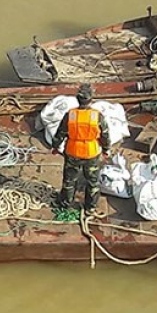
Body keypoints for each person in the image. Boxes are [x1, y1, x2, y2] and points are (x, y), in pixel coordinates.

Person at [50, 84, 111, 217]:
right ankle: (91, 207)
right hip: (91, 153)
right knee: (93, 181)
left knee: (69, 180)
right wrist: (106, 149)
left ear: (78, 99)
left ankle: (65, 203)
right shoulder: (97, 116)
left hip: (73, 151)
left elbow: (61, 133)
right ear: (91, 100)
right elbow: (104, 134)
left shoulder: (70, 115)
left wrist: (55, 147)